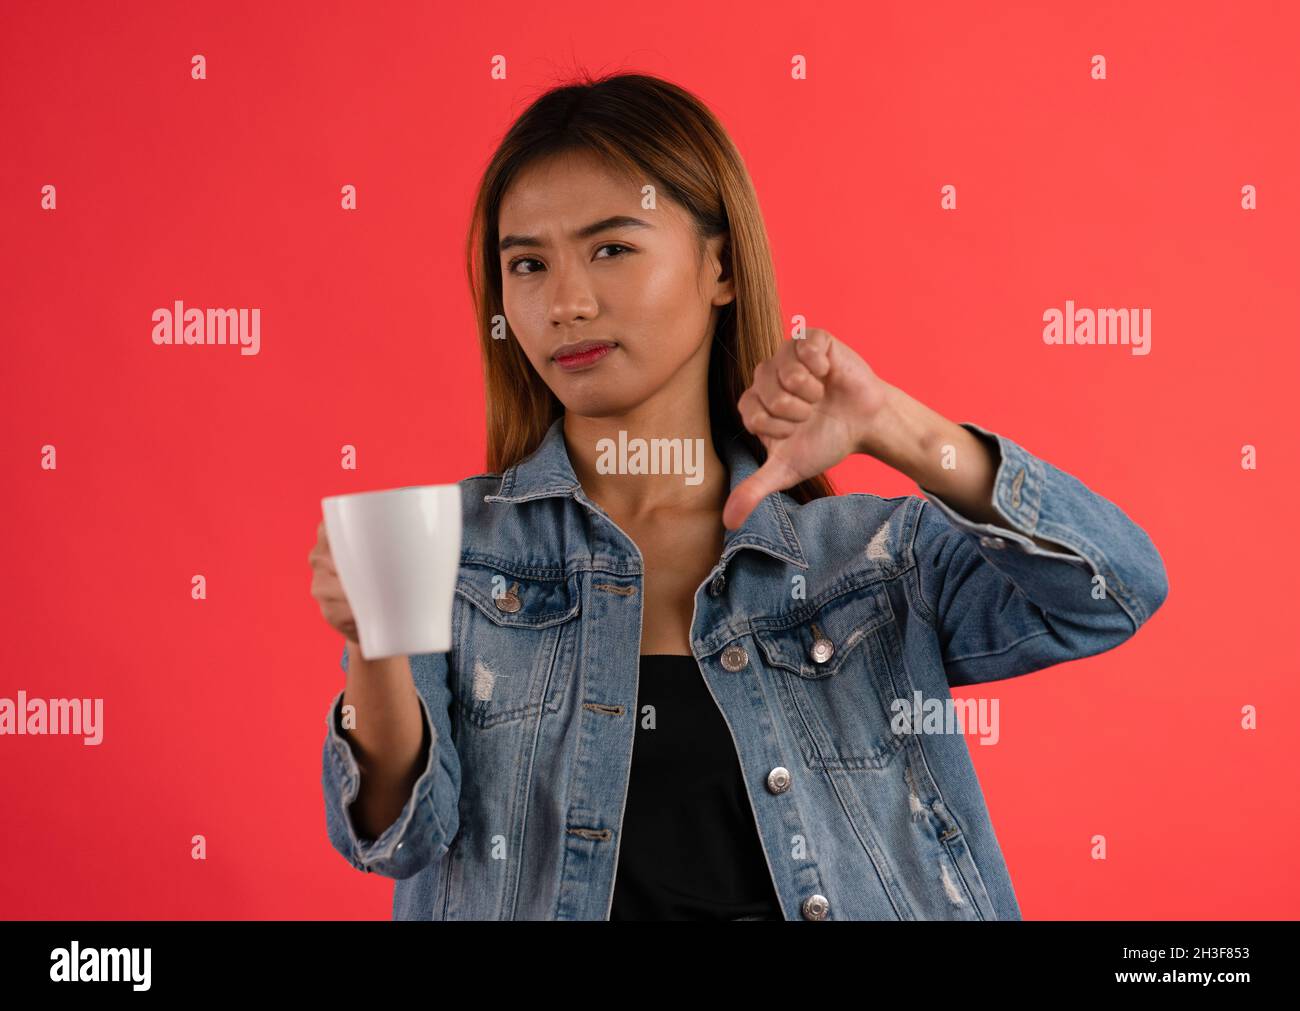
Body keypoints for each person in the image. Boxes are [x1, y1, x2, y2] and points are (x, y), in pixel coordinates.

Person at [308, 71, 1168, 921]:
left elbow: (1113, 591)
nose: (564, 303)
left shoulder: (863, 564)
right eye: (527, 264)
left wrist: (894, 427)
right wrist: (372, 638)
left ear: (718, 266)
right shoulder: (455, 546)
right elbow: (396, 833)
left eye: (611, 248)